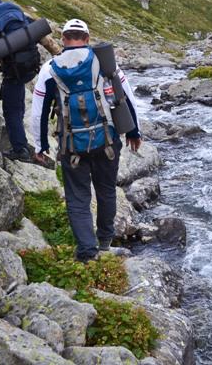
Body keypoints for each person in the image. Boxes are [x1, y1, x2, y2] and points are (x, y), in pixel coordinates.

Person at [29, 18, 143, 263]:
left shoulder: (49, 69)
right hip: (107, 142)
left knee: (78, 198)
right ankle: (104, 244)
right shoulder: (104, 61)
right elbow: (127, 98)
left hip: (72, 146)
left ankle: (87, 253)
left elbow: (38, 111)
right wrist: (135, 133)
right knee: (106, 192)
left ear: (63, 38)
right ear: (87, 38)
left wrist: (40, 146)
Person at [0, 0, 62, 161]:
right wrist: (60, 56)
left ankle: (20, 150)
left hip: (13, 72)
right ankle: (22, 141)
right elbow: (46, 40)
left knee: (11, 111)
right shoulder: (21, 18)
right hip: (31, 68)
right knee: (17, 104)